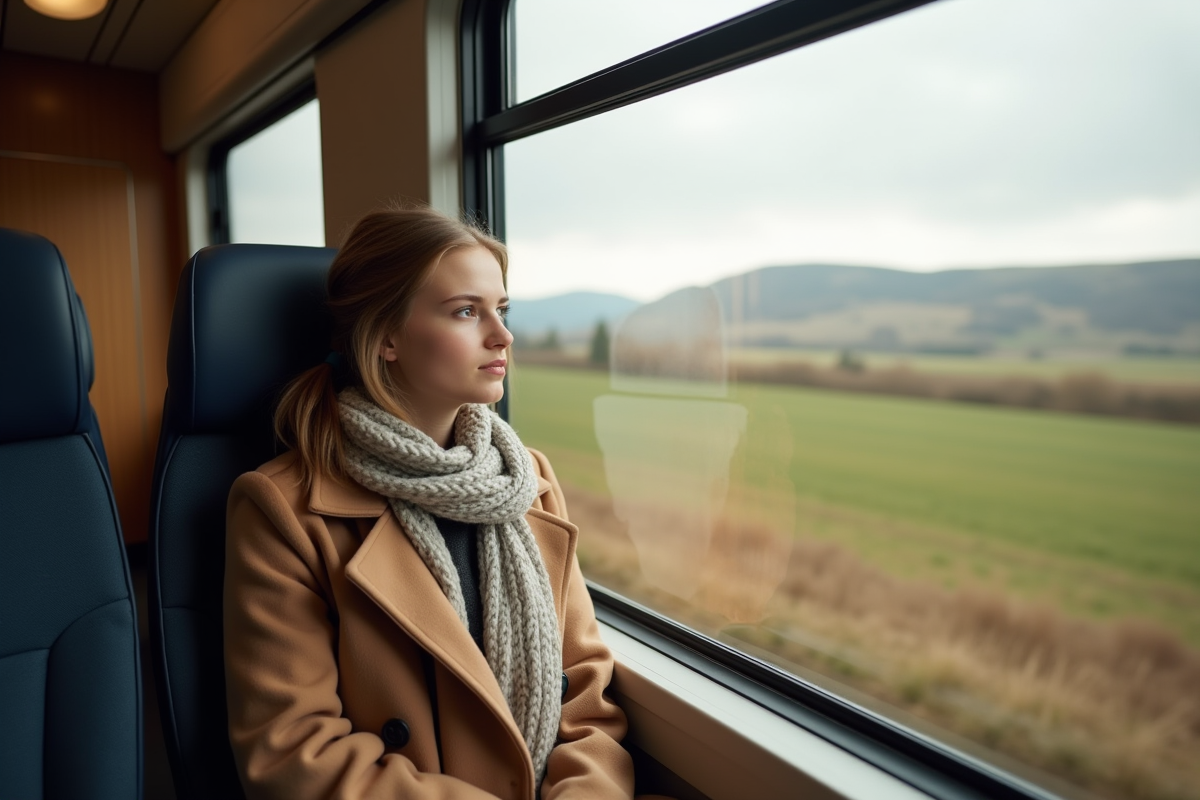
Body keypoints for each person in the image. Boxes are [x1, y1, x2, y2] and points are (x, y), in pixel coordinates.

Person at [223, 205, 644, 799]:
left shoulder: (529, 479)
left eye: (502, 309)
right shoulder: (283, 510)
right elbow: (296, 753)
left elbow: (584, 697)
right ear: (386, 336)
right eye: (466, 311)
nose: (503, 336)